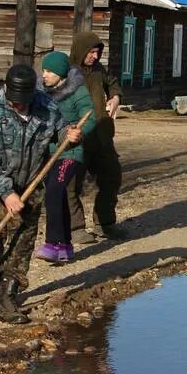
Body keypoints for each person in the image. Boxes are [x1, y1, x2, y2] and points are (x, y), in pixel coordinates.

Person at [0, 64, 82, 323]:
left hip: (31, 183)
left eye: (24, 102)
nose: (19, 106)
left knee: (22, 242)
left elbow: (62, 128)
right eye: (15, 102)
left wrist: (71, 134)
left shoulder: (45, 106)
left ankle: (8, 297)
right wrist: (6, 194)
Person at [36, 52, 96, 264]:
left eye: (49, 71)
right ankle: (65, 246)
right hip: (48, 153)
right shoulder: (40, 92)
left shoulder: (77, 91)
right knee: (58, 196)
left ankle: (52, 244)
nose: (45, 75)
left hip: (70, 152)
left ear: (61, 74)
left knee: (53, 192)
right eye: (43, 70)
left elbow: (90, 118)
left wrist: (77, 134)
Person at [68, 32, 124, 243]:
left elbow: (113, 83)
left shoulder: (99, 70)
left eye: (97, 52)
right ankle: (75, 228)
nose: (95, 56)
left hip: (101, 135)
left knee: (111, 177)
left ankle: (105, 223)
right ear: (80, 51)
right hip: (77, 138)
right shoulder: (67, 73)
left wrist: (116, 97)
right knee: (71, 185)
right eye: (90, 52)